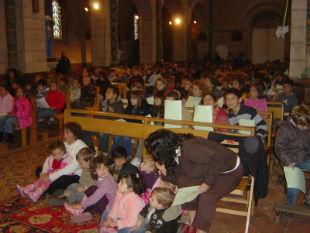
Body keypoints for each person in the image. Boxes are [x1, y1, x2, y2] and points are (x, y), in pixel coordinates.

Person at [145, 129, 243, 233]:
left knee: (207, 196)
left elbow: (218, 159)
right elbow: (178, 178)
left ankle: (201, 230)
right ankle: (192, 223)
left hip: (229, 171)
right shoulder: (173, 152)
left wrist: (207, 183)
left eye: (155, 152)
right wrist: (165, 172)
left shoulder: (188, 147)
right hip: (208, 170)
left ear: (163, 148)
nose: (155, 156)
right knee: (184, 183)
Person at [36, 122, 88, 194]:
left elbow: (70, 169)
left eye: (68, 133)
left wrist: (50, 177)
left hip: (76, 175)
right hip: (60, 169)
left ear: (75, 135)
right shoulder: (65, 143)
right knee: (39, 169)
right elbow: (50, 157)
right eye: (64, 132)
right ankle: (47, 187)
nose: (64, 135)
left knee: (62, 179)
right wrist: (43, 172)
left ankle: (43, 189)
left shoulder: (81, 148)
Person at [274, 105, 310, 206]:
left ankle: (308, 199)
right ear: (295, 122)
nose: (306, 127)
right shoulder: (284, 128)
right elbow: (279, 148)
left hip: (305, 157)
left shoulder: (306, 124)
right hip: (290, 160)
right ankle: (290, 206)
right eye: (303, 125)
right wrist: (288, 161)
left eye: (307, 125)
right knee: (293, 189)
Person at [65, 155, 117, 224]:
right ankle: (87, 214)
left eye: (105, 167)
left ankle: (82, 208)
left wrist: (82, 204)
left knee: (93, 190)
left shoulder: (107, 181)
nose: (103, 170)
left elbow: (96, 197)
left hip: (111, 208)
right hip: (106, 203)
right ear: (95, 172)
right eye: (99, 169)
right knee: (92, 190)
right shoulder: (100, 177)